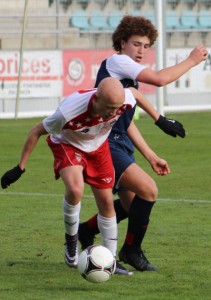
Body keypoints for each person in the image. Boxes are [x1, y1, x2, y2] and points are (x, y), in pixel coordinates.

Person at [0, 77, 170, 276]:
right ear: (96, 98)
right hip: (68, 145)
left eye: (116, 108)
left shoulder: (123, 100)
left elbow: (136, 95)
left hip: (98, 147)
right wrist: (20, 168)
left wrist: (160, 120)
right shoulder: (69, 111)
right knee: (75, 189)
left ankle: (110, 261)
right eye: (109, 108)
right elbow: (36, 131)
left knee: (106, 201)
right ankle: (72, 241)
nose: (113, 113)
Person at [78, 15, 208, 274]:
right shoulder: (117, 62)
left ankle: (87, 230)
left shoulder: (127, 75)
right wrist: (192, 60)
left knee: (132, 205)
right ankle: (130, 251)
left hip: (119, 141)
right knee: (149, 191)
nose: (141, 51)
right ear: (122, 42)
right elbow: (159, 79)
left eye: (146, 46)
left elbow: (126, 123)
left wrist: (150, 155)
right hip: (105, 143)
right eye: (136, 44)